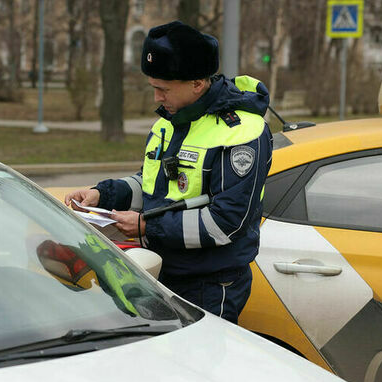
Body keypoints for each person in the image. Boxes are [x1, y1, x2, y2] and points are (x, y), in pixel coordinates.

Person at [65, 20, 272, 323]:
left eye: (163, 89)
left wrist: (147, 227)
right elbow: (151, 186)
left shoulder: (241, 132)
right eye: (153, 88)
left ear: (197, 84)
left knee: (199, 369)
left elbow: (225, 222)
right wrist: (103, 194)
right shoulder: (170, 121)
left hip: (210, 285)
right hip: (162, 272)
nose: (157, 98)